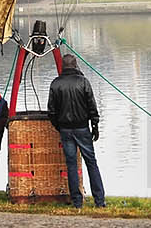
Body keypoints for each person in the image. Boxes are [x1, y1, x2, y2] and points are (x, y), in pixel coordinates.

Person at [47, 52, 106, 210]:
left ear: (62, 66)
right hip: (82, 128)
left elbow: (51, 111)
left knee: (71, 165)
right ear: (75, 65)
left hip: (65, 129)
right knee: (91, 163)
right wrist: (95, 125)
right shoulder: (83, 82)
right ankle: (99, 200)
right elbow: (92, 106)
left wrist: (58, 126)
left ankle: (77, 202)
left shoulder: (55, 84)